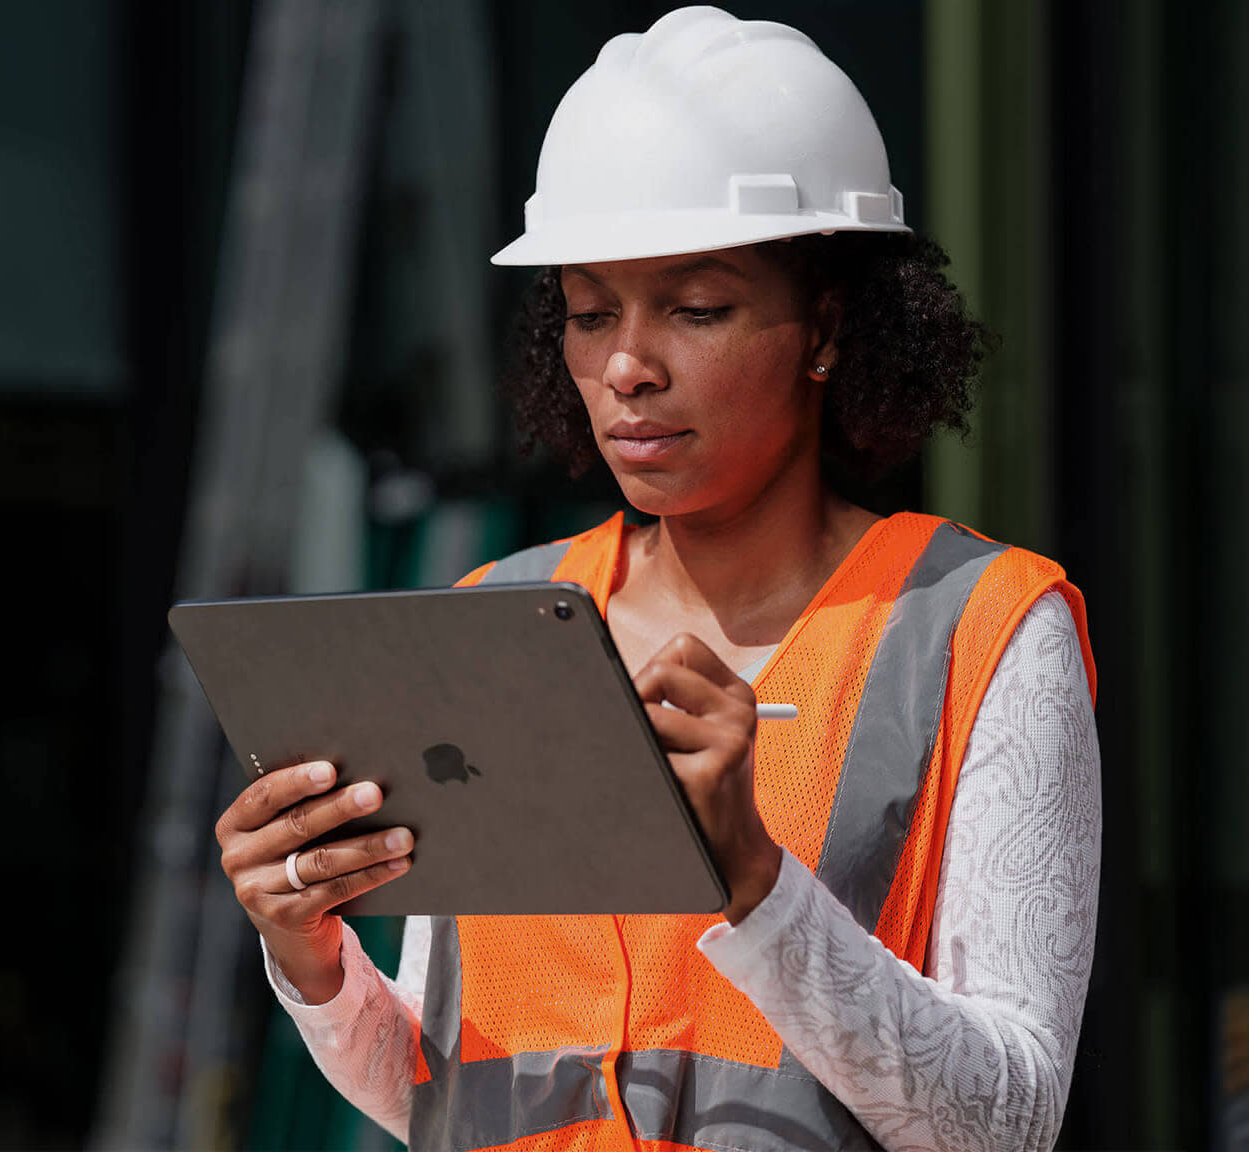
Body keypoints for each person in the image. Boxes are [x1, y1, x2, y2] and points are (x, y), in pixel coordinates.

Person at [214, 8, 1100, 1151]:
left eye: (697, 309)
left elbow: (1010, 1123)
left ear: (828, 327)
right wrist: (312, 958)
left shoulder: (983, 630)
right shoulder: (494, 618)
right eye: (591, 314)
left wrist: (756, 882)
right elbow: (445, 1091)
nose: (628, 364)